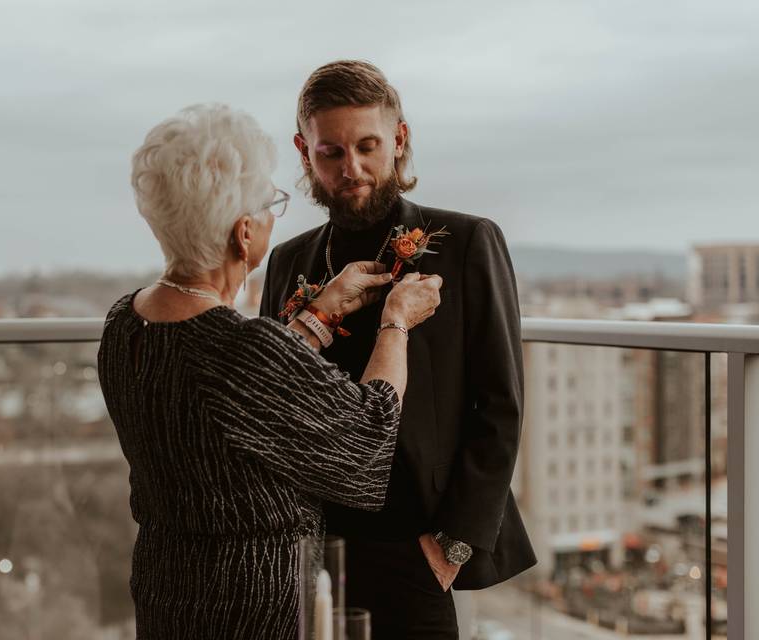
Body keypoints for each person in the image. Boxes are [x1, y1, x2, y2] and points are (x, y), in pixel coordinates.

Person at [97, 103, 443, 639]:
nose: (273, 215)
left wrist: (319, 315)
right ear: (243, 234)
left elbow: (234, 395)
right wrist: (395, 322)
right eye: (268, 203)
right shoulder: (241, 349)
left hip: (166, 592)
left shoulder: (124, 323)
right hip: (251, 611)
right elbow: (368, 442)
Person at [259, 60, 537, 638]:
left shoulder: (467, 243)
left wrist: (449, 548)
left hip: (416, 549)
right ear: (304, 151)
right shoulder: (287, 261)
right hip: (306, 550)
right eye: (330, 152)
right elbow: (274, 407)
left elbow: (501, 406)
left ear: (399, 140)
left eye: (367, 146)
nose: (351, 168)